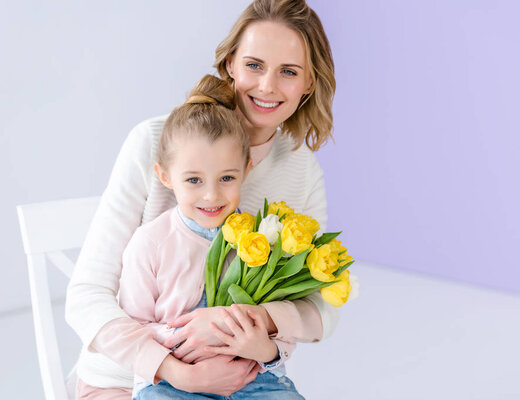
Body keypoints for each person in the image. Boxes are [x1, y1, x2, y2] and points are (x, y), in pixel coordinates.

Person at [66, 0, 338, 398]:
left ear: (309, 83)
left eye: (289, 72)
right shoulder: (157, 144)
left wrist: (254, 320)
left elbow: (319, 308)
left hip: (242, 378)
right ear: (230, 63)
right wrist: (174, 371)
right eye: (254, 65)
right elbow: (86, 296)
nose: (267, 86)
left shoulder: (301, 170)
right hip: (128, 378)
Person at [121, 74, 302, 399]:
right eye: (193, 180)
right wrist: (177, 339)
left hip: (253, 379)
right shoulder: (151, 242)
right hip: (176, 379)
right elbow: (132, 326)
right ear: (164, 175)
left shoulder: (259, 239)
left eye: (227, 178)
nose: (211, 195)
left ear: (246, 169)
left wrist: (268, 351)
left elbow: (281, 322)